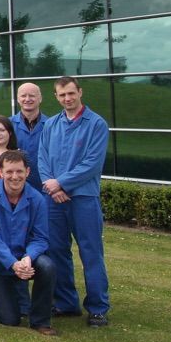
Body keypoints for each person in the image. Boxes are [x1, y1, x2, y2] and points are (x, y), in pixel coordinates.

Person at [39, 76, 111, 327]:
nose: (67, 99)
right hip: (54, 200)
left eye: (71, 93)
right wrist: (52, 186)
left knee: (91, 253)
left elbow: (91, 164)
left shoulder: (97, 124)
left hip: (83, 199)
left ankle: (98, 308)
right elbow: (43, 158)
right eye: (62, 95)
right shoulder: (51, 125)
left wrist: (62, 183)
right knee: (57, 252)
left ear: (80, 92)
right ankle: (66, 302)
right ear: (56, 97)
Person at [0, 150, 57, 335]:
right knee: (10, 319)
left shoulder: (37, 198)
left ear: (27, 172)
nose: (15, 176)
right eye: (10, 171)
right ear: (0, 171)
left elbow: (40, 237)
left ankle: (41, 321)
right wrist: (12, 264)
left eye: (19, 171)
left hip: (24, 259)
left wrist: (28, 258)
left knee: (47, 266)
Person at [12, 83, 48, 189]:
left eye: (32, 95)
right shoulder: (7, 125)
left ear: (40, 98)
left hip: (45, 187)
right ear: (18, 99)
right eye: (23, 96)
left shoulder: (52, 125)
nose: (27, 99)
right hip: (15, 187)